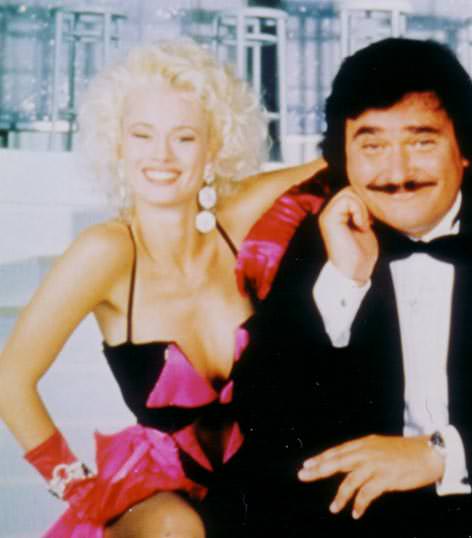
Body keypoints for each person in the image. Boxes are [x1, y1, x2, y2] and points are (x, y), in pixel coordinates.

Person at [230, 37, 472, 536]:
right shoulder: (324, 234)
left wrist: (442, 454)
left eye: (421, 142)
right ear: (344, 158)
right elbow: (263, 412)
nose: (397, 173)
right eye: (372, 146)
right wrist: (344, 281)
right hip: (356, 513)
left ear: (464, 149)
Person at [0, 40, 322, 537]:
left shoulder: (237, 220)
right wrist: (73, 485)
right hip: (160, 501)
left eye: (184, 138)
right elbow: (10, 379)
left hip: (259, 481)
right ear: (118, 145)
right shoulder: (106, 251)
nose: (161, 156)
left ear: (215, 148)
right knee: (178, 528)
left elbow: (346, 163)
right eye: (142, 135)